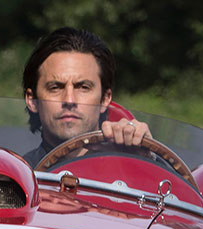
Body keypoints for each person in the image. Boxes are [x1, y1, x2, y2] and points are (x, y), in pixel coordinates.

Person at [21, 27, 151, 168]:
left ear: (105, 99)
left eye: (83, 87)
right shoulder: (18, 180)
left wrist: (146, 161)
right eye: (55, 88)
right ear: (32, 100)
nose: (69, 100)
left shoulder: (131, 167)